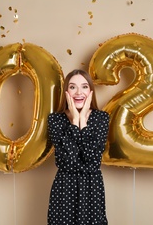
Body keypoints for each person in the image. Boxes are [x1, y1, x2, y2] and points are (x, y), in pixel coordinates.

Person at [47, 69, 109, 225]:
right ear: (66, 91)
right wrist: (75, 120)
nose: (78, 92)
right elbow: (68, 160)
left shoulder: (101, 118)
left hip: (92, 187)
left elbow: (92, 161)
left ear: (91, 92)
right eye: (73, 87)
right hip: (64, 187)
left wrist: (83, 121)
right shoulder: (55, 120)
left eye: (84, 86)